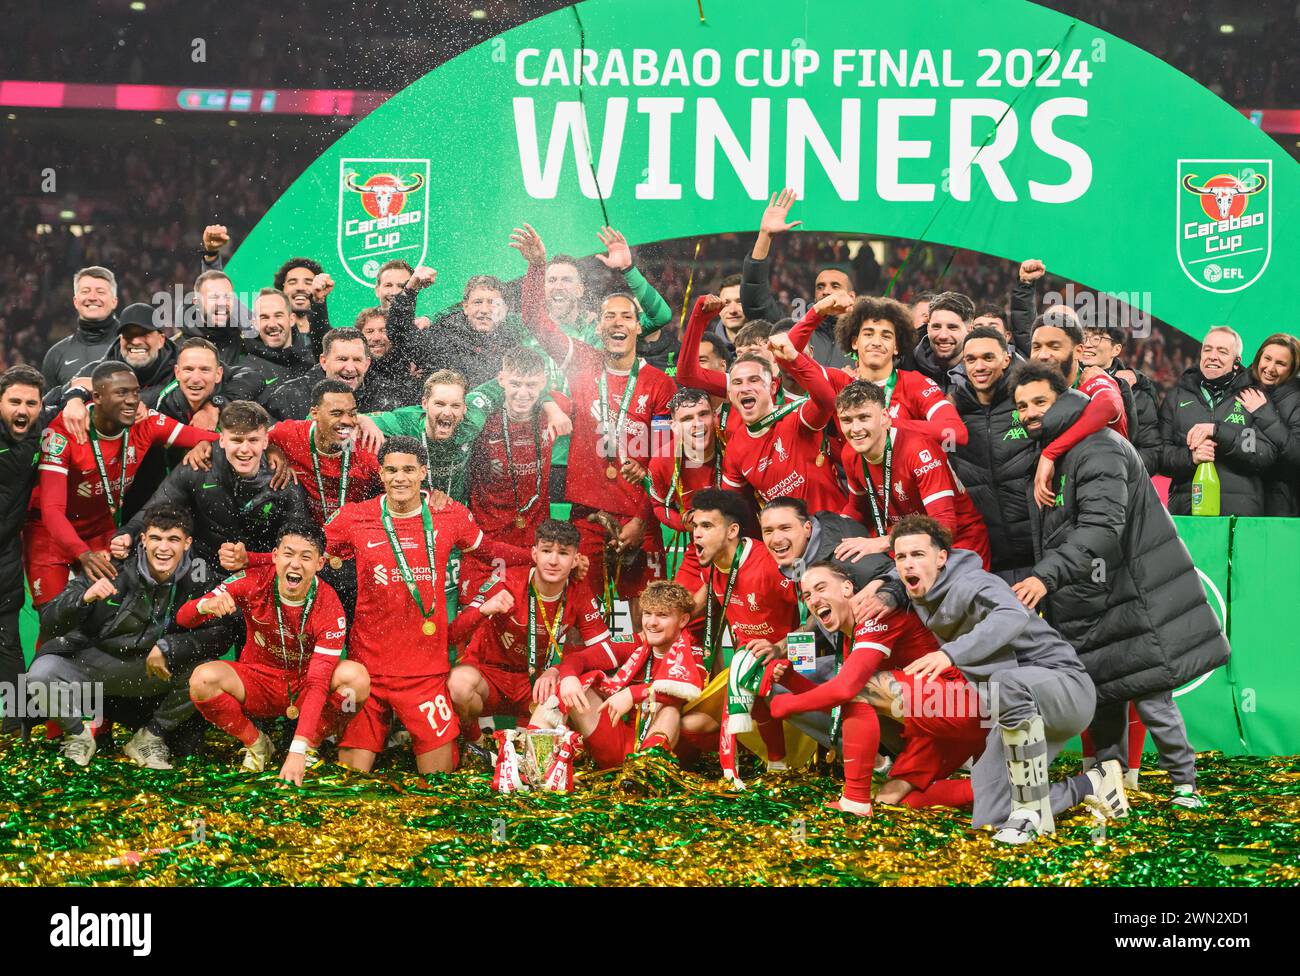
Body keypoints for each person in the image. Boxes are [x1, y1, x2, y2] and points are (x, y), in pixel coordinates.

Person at [1011, 363, 1230, 808]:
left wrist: (1044, 576)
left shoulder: (1098, 450)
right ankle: (1109, 784)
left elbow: (1101, 529)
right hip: (1094, 600)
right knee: (1104, 696)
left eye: (1039, 402)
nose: (1029, 413)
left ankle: (1184, 786)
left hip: (1134, 595)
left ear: (1064, 398)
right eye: (1022, 406)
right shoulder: (1059, 451)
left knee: (1152, 697)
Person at [890, 515, 1128, 844]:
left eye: (918, 554)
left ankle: (1030, 812)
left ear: (941, 557)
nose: (907, 564)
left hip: (1065, 689)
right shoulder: (916, 588)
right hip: (1013, 712)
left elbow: (1012, 614)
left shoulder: (974, 582)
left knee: (1007, 681)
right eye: (901, 557)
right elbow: (888, 576)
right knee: (990, 816)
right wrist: (883, 590)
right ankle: (1093, 783)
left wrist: (950, 654)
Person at [323, 436, 529, 774]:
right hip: (370, 668)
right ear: (381, 474)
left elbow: (488, 551)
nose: (399, 478)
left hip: (425, 673)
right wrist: (254, 560)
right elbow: (308, 554)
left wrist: (532, 557)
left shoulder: (449, 514)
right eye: (391, 470)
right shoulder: (353, 518)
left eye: (408, 470)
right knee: (351, 780)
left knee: (438, 782)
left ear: (423, 472)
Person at [513, 222, 678, 625]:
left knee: (641, 611)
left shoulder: (660, 385)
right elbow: (536, 321)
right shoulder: (582, 360)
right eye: (609, 317)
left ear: (640, 327)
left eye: (627, 316)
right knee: (584, 607)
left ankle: (636, 678)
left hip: (640, 517)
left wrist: (642, 515)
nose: (618, 323)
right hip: (587, 516)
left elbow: (665, 455)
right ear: (598, 326)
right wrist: (536, 267)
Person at [759, 562, 988, 815]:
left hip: (964, 704)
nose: (814, 599)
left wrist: (787, 704)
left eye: (821, 587)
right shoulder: (850, 636)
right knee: (892, 800)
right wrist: (791, 681)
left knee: (860, 687)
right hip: (934, 731)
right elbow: (843, 705)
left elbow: (848, 690)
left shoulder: (874, 616)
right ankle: (997, 789)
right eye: (807, 595)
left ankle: (855, 800)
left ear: (847, 587)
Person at [29, 504, 239, 769]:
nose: (163, 548)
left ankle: (149, 737)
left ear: (187, 543)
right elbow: (50, 619)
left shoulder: (200, 578)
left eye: (173, 539)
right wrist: (83, 598)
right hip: (98, 664)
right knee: (41, 674)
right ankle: (79, 735)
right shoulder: (111, 564)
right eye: (156, 538)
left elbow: (222, 634)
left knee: (208, 672)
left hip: (153, 671)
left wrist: (169, 647)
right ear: (143, 539)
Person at [180, 521, 369, 785]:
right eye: (288, 554)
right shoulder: (250, 581)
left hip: (304, 685)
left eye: (306, 557)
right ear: (275, 556)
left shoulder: (330, 605)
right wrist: (204, 606)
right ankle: (257, 744)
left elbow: (317, 683)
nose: (295, 564)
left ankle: (312, 743)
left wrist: (298, 749)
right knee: (202, 680)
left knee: (355, 680)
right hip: (258, 681)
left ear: (320, 564)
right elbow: (183, 619)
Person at [24, 362, 218, 611]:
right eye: (120, 393)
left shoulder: (145, 422)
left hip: (101, 530)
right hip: (50, 534)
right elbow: (51, 510)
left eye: (135, 393)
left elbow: (216, 439)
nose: (131, 401)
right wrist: (83, 554)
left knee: (108, 615)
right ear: (97, 397)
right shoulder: (65, 431)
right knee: (55, 619)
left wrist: (204, 444)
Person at [448, 519, 612, 743]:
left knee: (569, 685)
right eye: (546, 551)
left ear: (576, 560)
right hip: (489, 676)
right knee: (458, 684)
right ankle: (476, 745)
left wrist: (559, 669)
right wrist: (484, 610)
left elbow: (603, 651)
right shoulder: (506, 581)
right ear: (534, 553)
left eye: (563, 553)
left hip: (534, 683)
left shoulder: (579, 591)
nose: (553, 561)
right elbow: (453, 634)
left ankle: (533, 745)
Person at [529, 580, 706, 768]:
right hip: (622, 743)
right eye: (647, 614)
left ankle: (648, 771)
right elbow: (579, 659)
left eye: (662, 615)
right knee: (569, 687)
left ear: (683, 620)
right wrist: (568, 678)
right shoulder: (636, 644)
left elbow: (682, 694)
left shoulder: (692, 653)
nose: (652, 623)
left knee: (670, 711)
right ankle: (538, 766)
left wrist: (632, 694)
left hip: (668, 755)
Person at [112, 400, 307, 570]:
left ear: (266, 441)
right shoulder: (198, 466)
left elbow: (298, 542)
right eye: (236, 440)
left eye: (253, 440)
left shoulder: (283, 480)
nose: (245, 449)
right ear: (221, 439)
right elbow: (157, 508)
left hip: (258, 566)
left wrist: (251, 560)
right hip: (202, 564)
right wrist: (127, 534)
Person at [685, 488, 798, 774]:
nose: (697, 534)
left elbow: (809, 612)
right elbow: (700, 599)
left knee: (757, 683)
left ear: (732, 530)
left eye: (707, 526)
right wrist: (672, 619)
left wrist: (786, 648)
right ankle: (773, 763)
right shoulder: (709, 565)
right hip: (749, 659)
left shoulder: (769, 565)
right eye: (695, 526)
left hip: (793, 658)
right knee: (691, 726)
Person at [836, 380, 991, 566]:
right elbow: (857, 509)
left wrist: (882, 542)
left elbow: (944, 526)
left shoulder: (918, 451)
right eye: (846, 420)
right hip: (903, 547)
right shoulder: (850, 452)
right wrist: (835, 533)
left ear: (884, 417)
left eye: (864, 418)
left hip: (957, 544)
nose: (855, 429)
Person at [785, 292, 968, 448]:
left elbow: (956, 433)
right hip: (856, 487)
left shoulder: (915, 384)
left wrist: (889, 425)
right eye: (869, 334)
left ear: (896, 346)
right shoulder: (839, 382)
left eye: (886, 336)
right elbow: (786, 354)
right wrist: (817, 311)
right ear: (855, 342)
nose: (876, 342)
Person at [1158, 326, 1279, 516]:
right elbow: (1159, 455)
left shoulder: (1256, 397)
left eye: (1222, 351)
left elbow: (1266, 454)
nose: (1213, 356)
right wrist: (1191, 457)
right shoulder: (1176, 397)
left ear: (1236, 361)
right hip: (1187, 512)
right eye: (1208, 349)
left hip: (1240, 514)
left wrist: (1218, 432)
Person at [720, 337, 846, 513]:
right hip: (786, 538)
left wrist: (795, 357)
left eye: (754, 380)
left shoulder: (795, 416)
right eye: (737, 383)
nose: (745, 388)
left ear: (772, 387)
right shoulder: (735, 447)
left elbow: (827, 401)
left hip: (833, 529)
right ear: (730, 394)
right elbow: (732, 506)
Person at [951, 328, 1038, 580]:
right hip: (987, 559)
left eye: (988, 358)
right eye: (971, 359)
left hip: (1040, 551)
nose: (979, 366)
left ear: (1006, 359)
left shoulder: (1027, 402)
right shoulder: (951, 412)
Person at [1028, 305, 1130, 507]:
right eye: (1036, 347)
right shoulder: (1032, 393)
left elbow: (1109, 404)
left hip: (1102, 504)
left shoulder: (1092, 380)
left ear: (1078, 351)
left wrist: (1050, 453)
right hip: (1054, 512)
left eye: (1054, 346)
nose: (1043, 355)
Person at [740, 189, 855, 370]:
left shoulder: (865, 336)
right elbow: (755, 304)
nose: (826, 291)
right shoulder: (796, 330)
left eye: (835, 286)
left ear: (852, 296)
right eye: (820, 286)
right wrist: (765, 235)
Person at [0, 366, 51, 731]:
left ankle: (16, 722)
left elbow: (69, 395)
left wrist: (78, 396)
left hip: (5, 554)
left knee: (8, 640)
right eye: (14, 401)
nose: (23, 409)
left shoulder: (42, 434)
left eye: (30, 403)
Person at [266, 379, 381, 527]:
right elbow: (253, 439)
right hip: (303, 531)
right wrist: (271, 450)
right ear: (315, 413)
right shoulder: (289, 434)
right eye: (336, 413)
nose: (347, 421)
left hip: (351, 532)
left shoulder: (366, 450)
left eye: (352, 414)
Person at [1081, 323, 1162, 473]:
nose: (1087, 344)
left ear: (1116, 349)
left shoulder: (1137, 392)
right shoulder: (1067, 382)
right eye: (1084, 336)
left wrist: (1117, 471)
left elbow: (1151, 452)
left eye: (1096, 338)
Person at [263, 327, 376, 421]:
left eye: (357, 360)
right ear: (323, 361)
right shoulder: (287, 398)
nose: (350, 368)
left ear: (367, 364)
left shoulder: (380, 394)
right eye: (342, 359)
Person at [1246, 333, 1300, 516]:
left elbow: (1296, 452)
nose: (1270, 368)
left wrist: (1264, 413)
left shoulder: (1296, 399)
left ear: (1292, 369)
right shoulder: (1239, 386)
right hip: (1242, 494)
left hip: (1280, 499)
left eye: (1281, 363)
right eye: (1267, 358)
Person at [42, 267, 121, 389]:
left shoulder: (132, 346)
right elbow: (49, 405)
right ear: (75, 301)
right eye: (85, 291)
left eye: (100, 292)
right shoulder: (57, 355)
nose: (92, 297)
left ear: (114, 301)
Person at [238, 288, 324, 396]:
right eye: (264, 318)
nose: (272, 324)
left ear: (292, 319)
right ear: (255, 323)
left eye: (278, 315)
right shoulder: (245, 372)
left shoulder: (311, 361)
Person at [912, 291, 974, 393]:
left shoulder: (986, 371)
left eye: (952, 327)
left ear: (969, 329)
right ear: (928, 328)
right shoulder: (907, 366)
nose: (943, 336)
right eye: (936, 327)